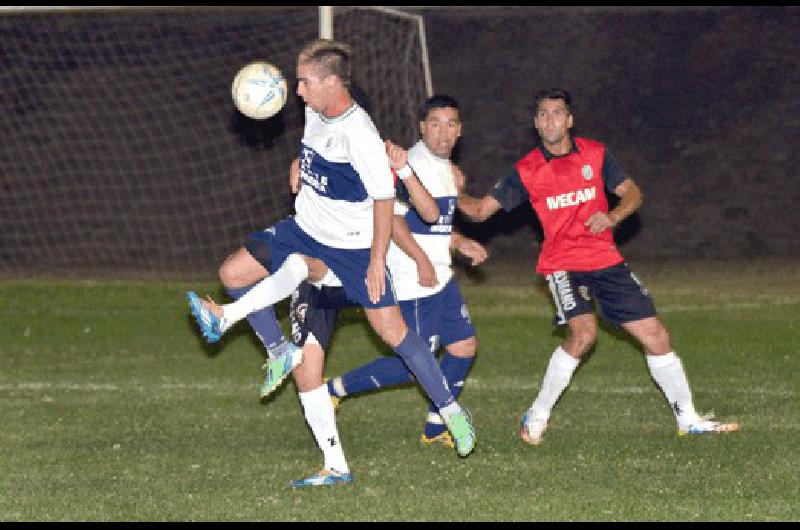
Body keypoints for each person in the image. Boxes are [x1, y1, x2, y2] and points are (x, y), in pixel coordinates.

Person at [187, 39, 477, 487]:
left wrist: (378, 259)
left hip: (353, 248)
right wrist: (298, 163)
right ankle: (325, 445)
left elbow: (384, 202)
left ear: (329, 82)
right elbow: (315, 149)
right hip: (305, 230)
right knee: (234, 274)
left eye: (304, 81)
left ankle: (452, 411)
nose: (297, 91)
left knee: (394, 333)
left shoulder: (359, 134)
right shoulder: (314, 111)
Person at [456, 88, 739, 445]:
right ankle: (538, 413)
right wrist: (447, 193)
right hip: (562, 265)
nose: (550, 120)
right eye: (543, 114)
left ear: (569, 120)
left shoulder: (596, 154)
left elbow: (633, 193)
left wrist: (613, 216)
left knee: (657, 336)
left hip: (605, 260)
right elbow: (480, 211)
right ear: (535, 123)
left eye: (557, 113)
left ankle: (689, 418)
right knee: (584, 334)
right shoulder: (527, 170)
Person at [317, 95, 488, 448]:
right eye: (435, 124)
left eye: (451, 124)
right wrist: (421, 260)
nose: (443, 132)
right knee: (414, 362)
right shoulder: (411, 165)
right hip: (413, 280)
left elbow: (433, 224)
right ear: (423, 127)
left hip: (441, 279)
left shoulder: (445, 169)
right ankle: (334, 389)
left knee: (463, 346)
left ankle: (435, 426)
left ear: (460, 130)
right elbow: (392, 221)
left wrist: (458, 243)